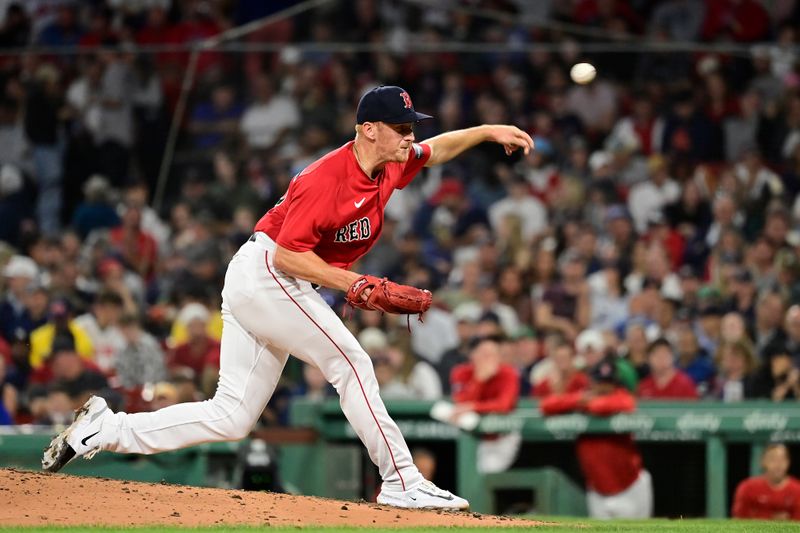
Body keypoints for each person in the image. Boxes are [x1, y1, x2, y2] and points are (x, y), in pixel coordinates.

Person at [42, 85, 534, 510]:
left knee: (232, 416)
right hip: (269, 275)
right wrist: (353, 284)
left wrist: (488, 130)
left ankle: (103, 430)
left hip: (269, 281)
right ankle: (401, 481)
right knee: (351, 361)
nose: (410, 136)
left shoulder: (391, 163)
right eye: (401, 127)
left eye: (411, 127)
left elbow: (438, 149)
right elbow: (286, 258)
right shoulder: (326, 179)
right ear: (368, 129)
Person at [540, 356, 653, 519]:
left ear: (615, 383)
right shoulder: (581, 397)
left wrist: (587, 403)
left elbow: (618, 404)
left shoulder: (621, 396)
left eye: (608, 382)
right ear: (592, 381)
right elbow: (546, 405)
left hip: (631, 488)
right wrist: (578, 399)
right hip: (597, 492)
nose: (603, 387)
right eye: (600, 381)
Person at [732, 443, 800, 520]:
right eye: (773, 459)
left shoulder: (797, 489)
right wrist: (771, 518)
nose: (778, 464)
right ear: (763, 461)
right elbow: (738, 520)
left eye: (782, 459)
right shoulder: (747, 487)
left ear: (788, 462)